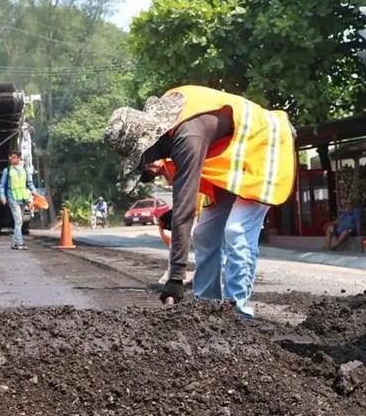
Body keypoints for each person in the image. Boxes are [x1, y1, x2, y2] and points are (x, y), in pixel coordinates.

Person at [104, 85, 296, 317]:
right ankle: (206, 308)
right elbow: (186, 196)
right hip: (234, 162)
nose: (146, 163)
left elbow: (185, 209)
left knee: (236, 231)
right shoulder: (170, 112)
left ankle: (238, 315)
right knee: (204, 233)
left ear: (150, 140)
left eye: (142, 156)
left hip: (266, 147)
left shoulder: (188, 136)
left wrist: (175, 278)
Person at [0, 151, 37, 250]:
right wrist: (2, 196)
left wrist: (34, 191)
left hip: (23, 198)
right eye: (11, 157)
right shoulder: (7, 170)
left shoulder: (24, 170)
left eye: (15, 157)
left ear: (19, 159)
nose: (13, 159)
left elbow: (29, 183)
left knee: (19, 221)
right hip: (12, 198)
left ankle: (14, 243)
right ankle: (20, 243)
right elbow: (2, 185)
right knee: (18, 220)